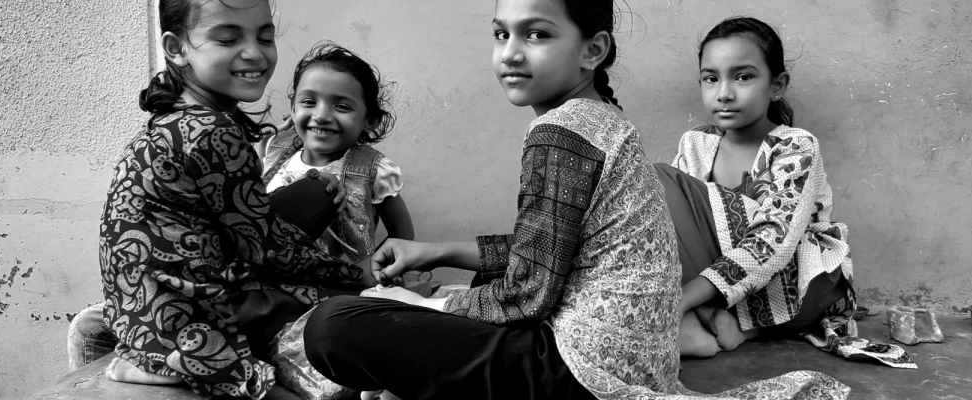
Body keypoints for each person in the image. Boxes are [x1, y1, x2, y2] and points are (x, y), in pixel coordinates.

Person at [301, 2, 849, 399]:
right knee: (461, 290)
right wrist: (434, 254)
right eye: (501, 34)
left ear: (593, 50)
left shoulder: (561, 132)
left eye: (536, 35)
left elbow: (528, 295)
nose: (510, 54)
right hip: (633, 359)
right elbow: (553, 250)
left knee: (334, 325)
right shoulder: (602, 121)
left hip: (582, 373)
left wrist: (422, 306)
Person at [95, 1, 367, 398]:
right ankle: (180, 364)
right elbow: (267, 250)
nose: (254, 52)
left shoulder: (175, 117)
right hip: (189, 317)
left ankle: (156, 357)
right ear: (176, 48)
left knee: (314, 191)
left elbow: (246, 222)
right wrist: (358, 275)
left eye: (264, 36)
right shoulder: (213, 131)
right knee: (347, 308)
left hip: (135, 311)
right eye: (228, 38)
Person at [660, 17, 911, 370]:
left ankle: (726, 322)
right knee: (657, 197)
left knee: (661, 182)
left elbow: (774, 242)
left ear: (776, 85)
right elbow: (681, 231)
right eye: (710, 78)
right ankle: (719, 323)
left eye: (743, 77)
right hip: (727, 278)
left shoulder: (795, 145)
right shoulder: (696, 143)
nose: (724, 93)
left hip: (797, 284)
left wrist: (679, 300)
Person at [261, 41, 414, 264]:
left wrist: (371, 271)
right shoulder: (271, 152)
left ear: (370, 120)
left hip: (339, 284)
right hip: (271, 274)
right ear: (293, 109)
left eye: (342, 106)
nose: (321, 115)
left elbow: (403, 235)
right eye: (308, 102)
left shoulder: (374, 170)